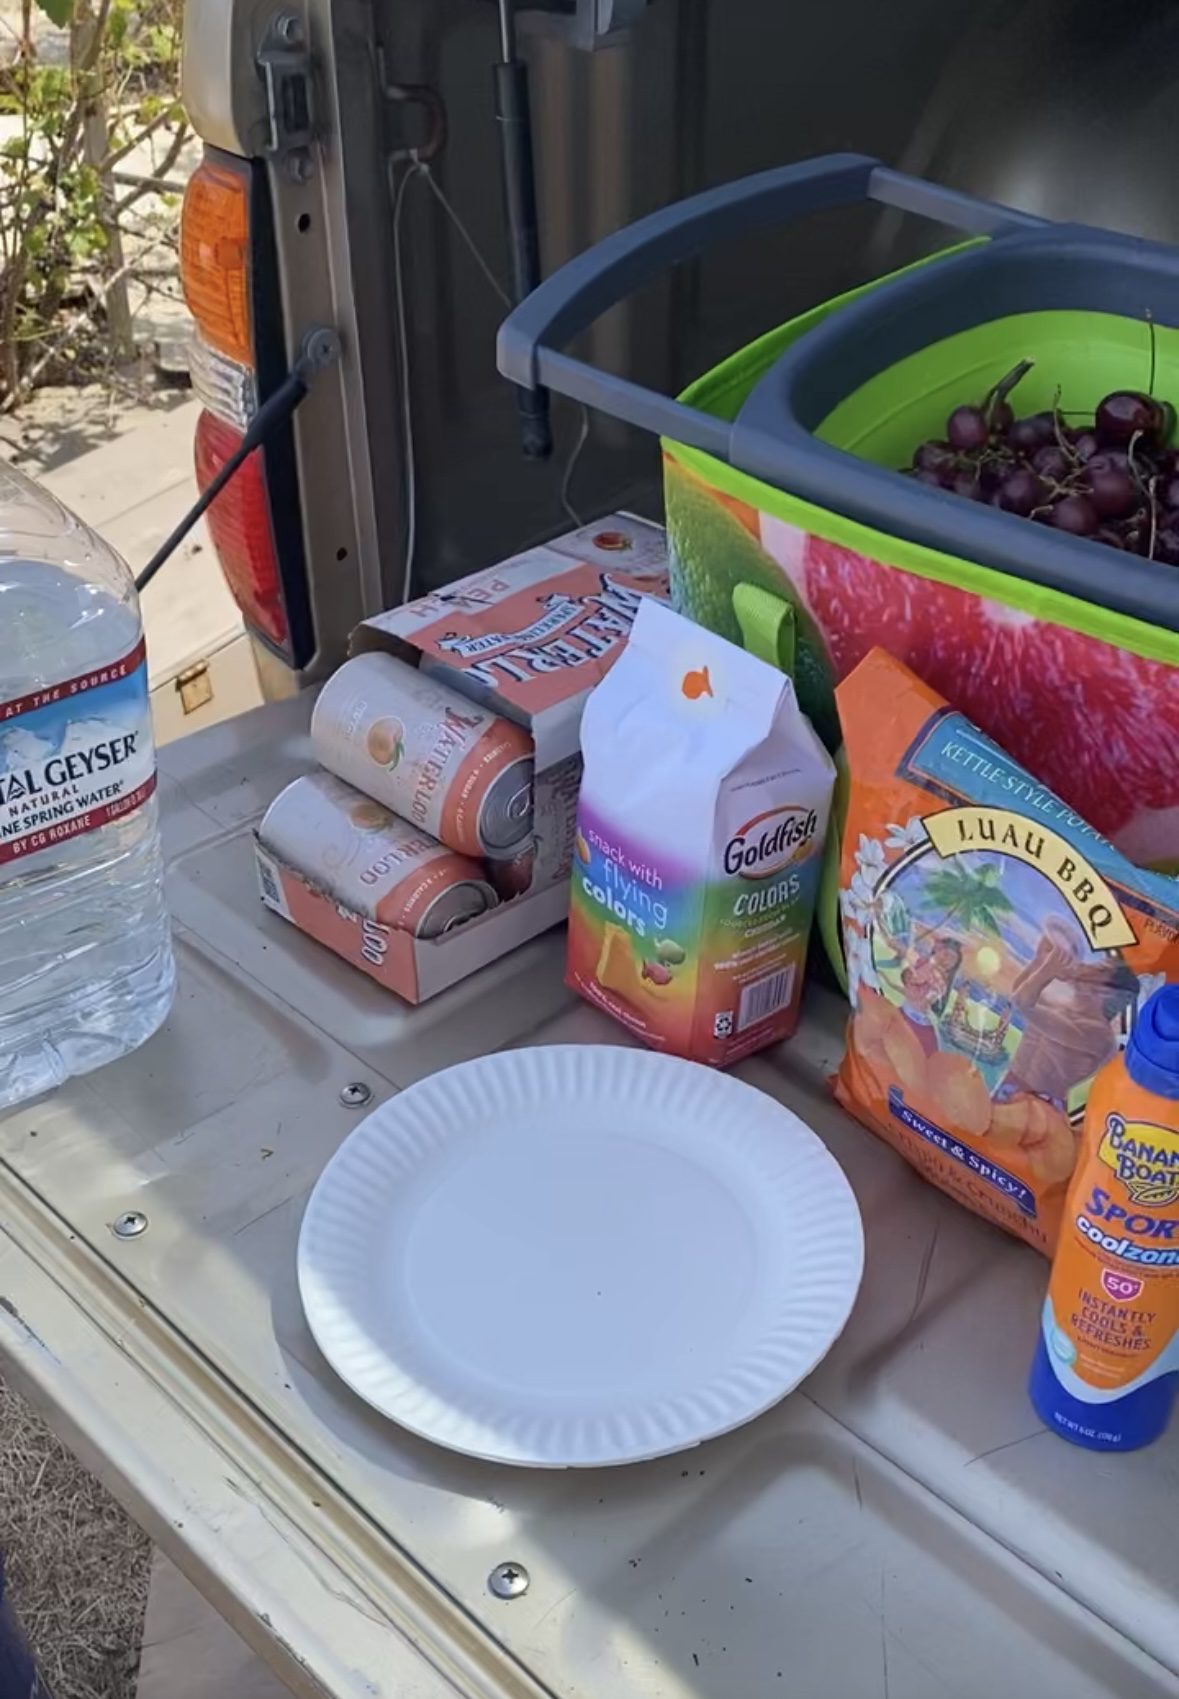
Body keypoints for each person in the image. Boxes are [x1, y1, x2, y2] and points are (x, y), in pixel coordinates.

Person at [1004, 931, 1138, 1108]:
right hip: (1012, 1085)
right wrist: (1039, 961)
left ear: (1107, 992)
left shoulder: (1097, 1033)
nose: (1088, 967)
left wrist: (1047, 969)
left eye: (1100, 969)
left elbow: (1022, 1002)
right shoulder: (1065, 1008)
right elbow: (1019, 994)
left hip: (1041, 1107)